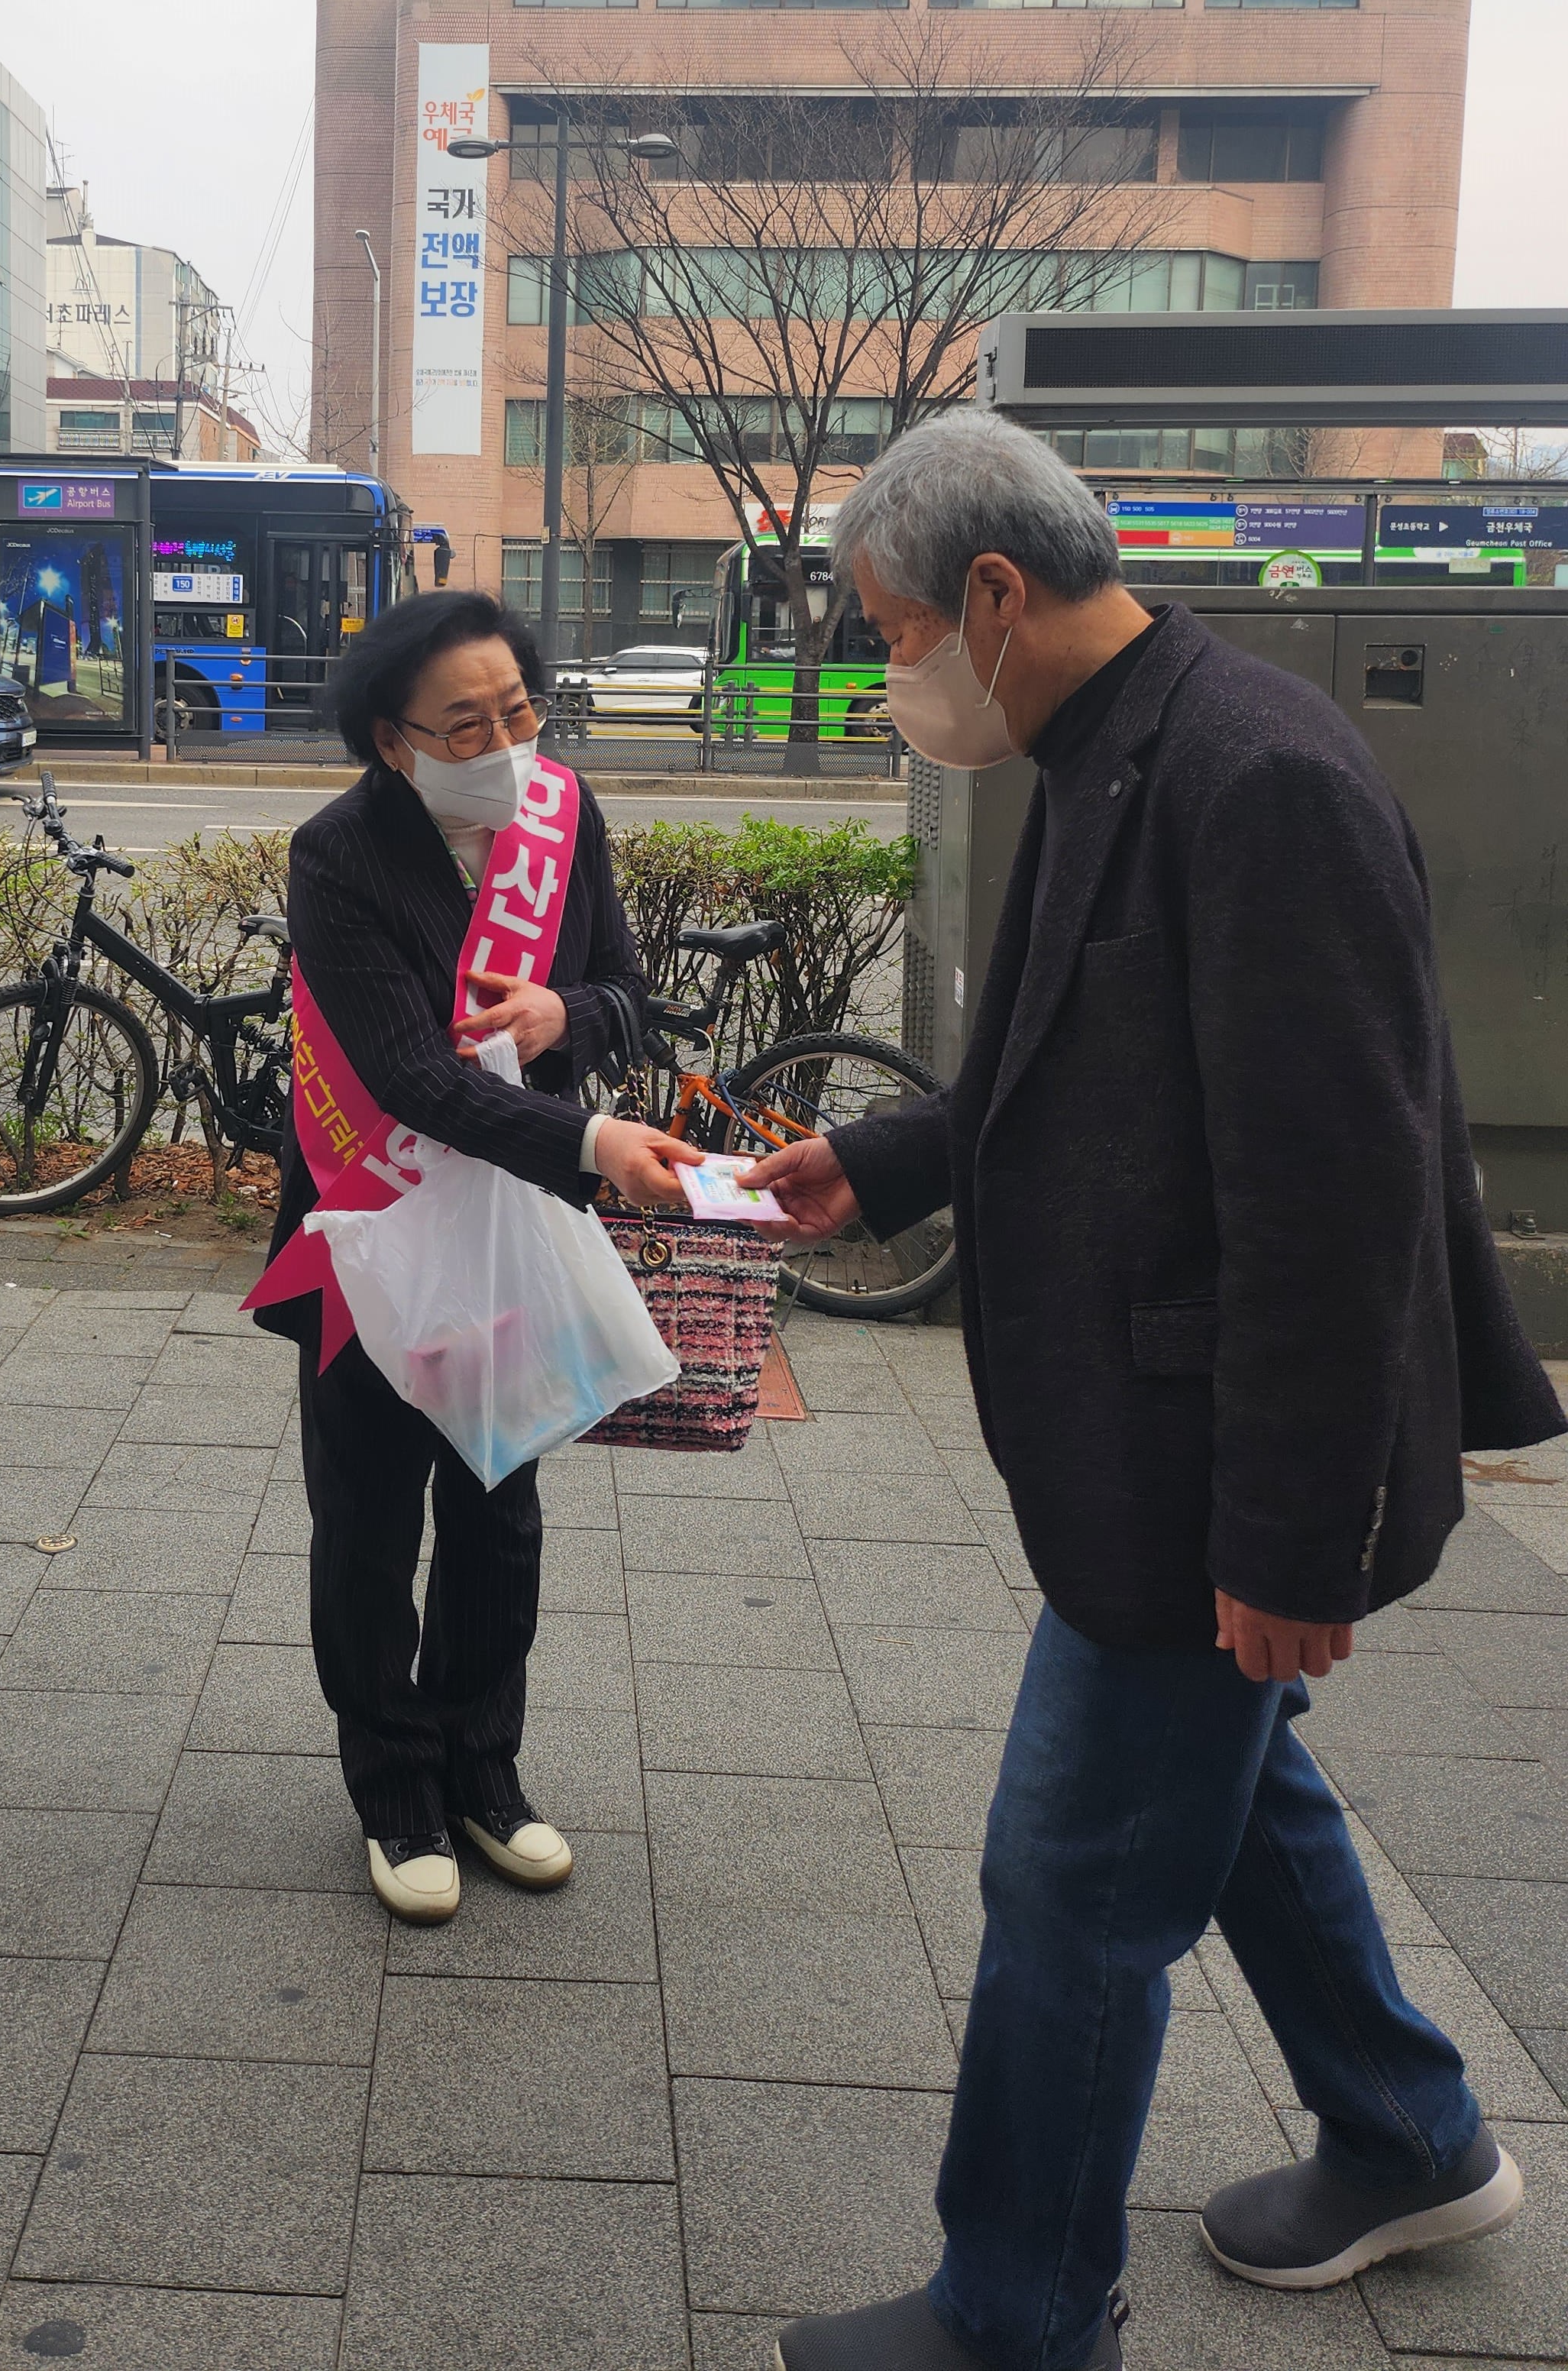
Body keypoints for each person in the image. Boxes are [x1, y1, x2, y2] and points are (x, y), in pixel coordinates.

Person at [743, 412, 1565, 2371]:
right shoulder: (1118, 741)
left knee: (1072, 1883)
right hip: (1153, 1450)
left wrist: (1294, 1545)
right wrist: (892, 1158)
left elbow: (1335, 1198)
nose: (887, 676)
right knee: (1238, 1795)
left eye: (890, 633)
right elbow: (1076, 1060)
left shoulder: (1255, 776)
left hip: (1206, 1469)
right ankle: (1411, 2130)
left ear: (998, 597)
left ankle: (1019, 2315)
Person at [251, 589, 701, 1922]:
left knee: (500, 1509)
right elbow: (404, 1079)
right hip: (373, 1227)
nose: (504, 740)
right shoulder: (338, 854)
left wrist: (572, 1010)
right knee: (372, 1517)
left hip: (511, 1231)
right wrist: (596, 1144)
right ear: (395, 741)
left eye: (518, 709)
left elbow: (626, 990)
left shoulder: (566, 814)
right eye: (467, 723)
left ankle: (481, 1771)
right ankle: (394, 1788)